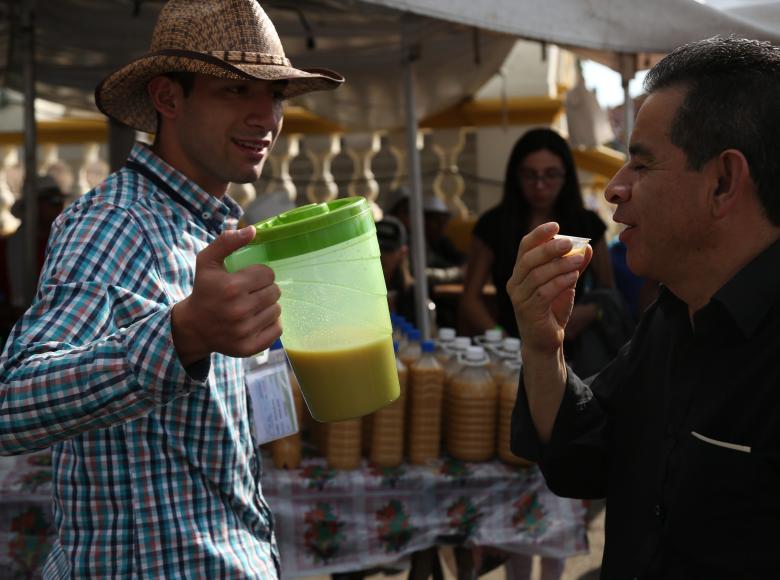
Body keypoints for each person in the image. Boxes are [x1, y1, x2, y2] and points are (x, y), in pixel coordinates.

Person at [0, 1, 343, 577]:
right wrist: (182, 335)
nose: (266, 115)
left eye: (276, 95)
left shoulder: (213, 230)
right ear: (168, 99)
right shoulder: (117, 221)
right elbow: (11, 402)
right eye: (237, 90)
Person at [508, 36, 780, 578]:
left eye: (640, 164)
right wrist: (544, 347)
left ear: (723, 182)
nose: (613, 188)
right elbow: (584, 459)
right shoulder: (672, 316)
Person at [458, 128, 615, 344]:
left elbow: (608, 292)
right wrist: (500, 336)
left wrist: (590, 312)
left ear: (566, 176)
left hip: (574, 345)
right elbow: (470, 299)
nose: (540, 186)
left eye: (551, 175)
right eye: (530, 175)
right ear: (516, 176)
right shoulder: (493, 224)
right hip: (515, 345)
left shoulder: (587, 223)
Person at [0, 176, 66, 347]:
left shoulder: (67, 243)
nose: (58, 206)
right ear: (33, 205)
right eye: (52, 201)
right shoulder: (8, 247)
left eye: (60, 201)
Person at [376, 215, 416, 325]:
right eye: (376, 248)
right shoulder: (359, 290)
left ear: (402, 253)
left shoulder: (412, 294)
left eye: (388, 250)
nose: (380, 255)